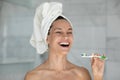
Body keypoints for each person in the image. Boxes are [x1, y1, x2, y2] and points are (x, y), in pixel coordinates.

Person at [24, 2, 105, 80]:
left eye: (69, 32)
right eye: (59, 32)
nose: (66, 36)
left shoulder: (81, 74)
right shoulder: (33, 77)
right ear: (47, 38)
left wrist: (98, 77)